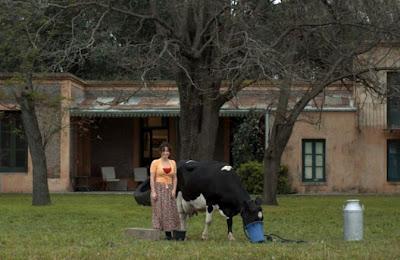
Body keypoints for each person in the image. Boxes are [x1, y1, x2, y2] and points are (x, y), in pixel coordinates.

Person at [150, 141, 180, 240]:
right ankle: (157, 232)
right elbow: (152, 177)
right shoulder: (155, 162)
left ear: (170, 152)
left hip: (170, 189)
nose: (165, 153)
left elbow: (175, 177)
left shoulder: (173, 163)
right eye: (163, 151)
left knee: (170, 211)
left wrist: (174, 190)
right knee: (159, 210)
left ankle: (169, 233)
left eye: (167, 151)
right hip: (158, 188)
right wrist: (153, 191)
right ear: (160, 152)